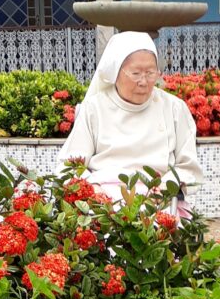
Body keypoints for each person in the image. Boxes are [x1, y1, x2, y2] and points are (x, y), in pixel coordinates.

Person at [56, 31, 203, 198]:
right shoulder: (94, 108)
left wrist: (167, 185)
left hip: (158, 198)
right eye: (136, 74)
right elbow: (70, 165)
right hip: (103, 201)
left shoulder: (174, 108)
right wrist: (93, 189)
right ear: (115, 73)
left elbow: (188, 167)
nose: (144, 82)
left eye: (150, 73)